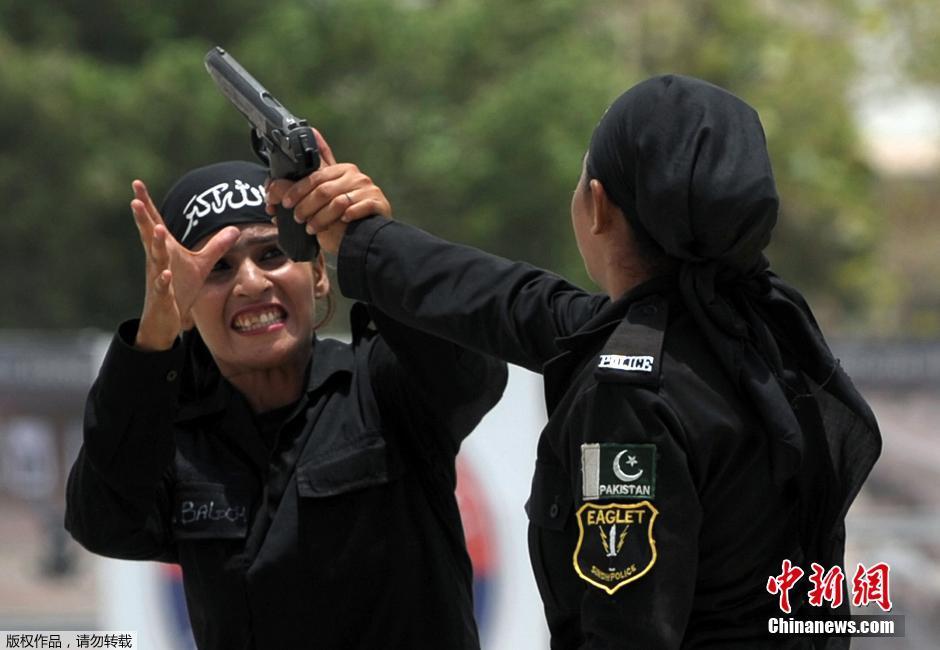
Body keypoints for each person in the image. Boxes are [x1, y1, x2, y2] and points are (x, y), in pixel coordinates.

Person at [269, 75, 882, 648]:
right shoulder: (755, 330)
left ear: (598, 207)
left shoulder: (634, 396)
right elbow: (511, 301)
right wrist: (363, 238)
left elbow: (628, 629)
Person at [65, 160, 508, 650]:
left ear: (318, 273)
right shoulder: (174, 436)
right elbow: (103, 522)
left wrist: (374, 244)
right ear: (184, 305)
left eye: (273, 253)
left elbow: (473, 372)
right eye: (218, 268)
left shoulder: (384, 385)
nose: (252, 283)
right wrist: (154, 335)